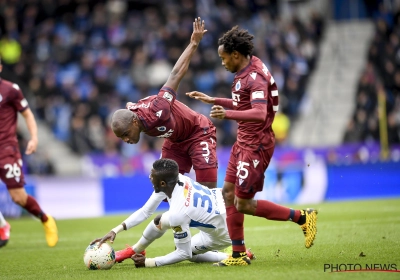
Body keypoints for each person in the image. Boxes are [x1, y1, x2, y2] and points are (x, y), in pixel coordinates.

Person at [187, 26, 318, 266]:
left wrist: (226, 114)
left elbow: (259, 112)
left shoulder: (254, 76)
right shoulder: (247, 68)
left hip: (256, 145)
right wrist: (213, 99)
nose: (222, 62)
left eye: (223, 57)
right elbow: (243, 101)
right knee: (228, 193)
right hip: (243, 141)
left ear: (235, 54)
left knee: (243, 204)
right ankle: (238, 255)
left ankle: (302, 217)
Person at [110, 17, 217, 190]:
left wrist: (194, 44)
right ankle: (175, 216)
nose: (126, 139)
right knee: (163, 187)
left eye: (125, 134)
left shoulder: (158, 110)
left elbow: (175, 74)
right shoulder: (132, 114)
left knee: (208, 189)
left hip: (198, 132)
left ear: (135, 122)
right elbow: (129, 106)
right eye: (122, 137)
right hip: (175, 141)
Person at [91, 158, 255, 267]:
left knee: (190, 255)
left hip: (223, 233)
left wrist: (148, 263)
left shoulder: (179, 212)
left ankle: (236, 254)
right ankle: (134, 250)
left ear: (162, 182)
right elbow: (145, 211)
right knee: (159, 220)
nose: (149, 177)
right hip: (223, 210)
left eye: (152, 175)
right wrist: (116, 230)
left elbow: (182, 253)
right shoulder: (177, 180)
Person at [0, 56, 58, 247]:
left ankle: (45, 219)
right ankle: (2, 226)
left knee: (18, 198)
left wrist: (33, 138)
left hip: (6, 149)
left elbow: (27, 114)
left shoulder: (11, 90)